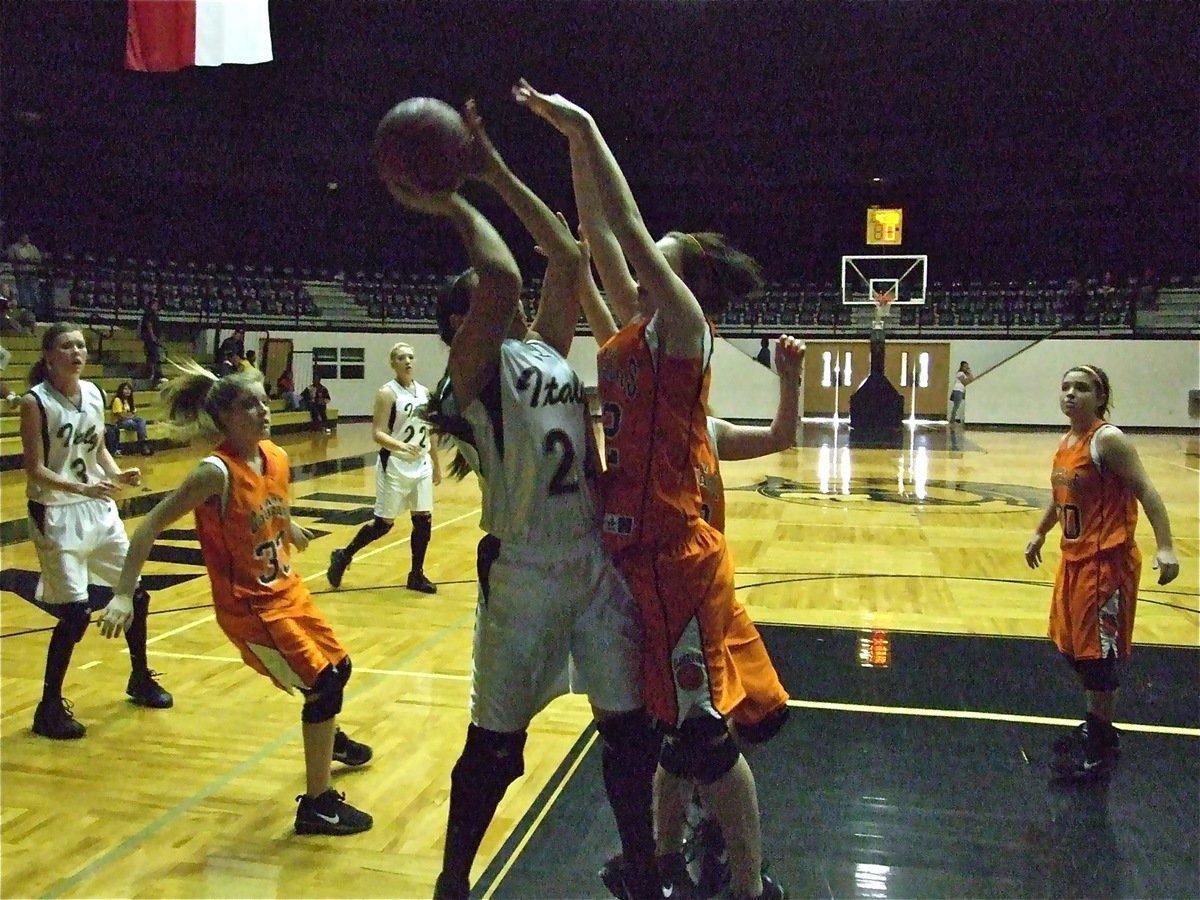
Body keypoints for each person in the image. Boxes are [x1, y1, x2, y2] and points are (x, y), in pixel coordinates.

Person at [517, 80, 788, 900]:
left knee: (703, 740)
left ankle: (746, 888)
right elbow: (599, 233)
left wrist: (587, 122)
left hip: (674, 555)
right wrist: (570, 149)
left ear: (686, 277)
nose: (646, 252)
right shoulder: (629, 337)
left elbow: (624, 230)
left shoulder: (687, 331)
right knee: (668, 736)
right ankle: (662, 861)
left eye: (664, 251)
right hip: (634, 555)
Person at [392, 100, 660, 900]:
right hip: (524, 576)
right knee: (497, 750)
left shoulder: (540, 346)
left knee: (627, 729)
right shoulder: (470, 376)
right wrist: (445, 199)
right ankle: (452, 881)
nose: (496, 291)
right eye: (475, 295)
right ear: (457, 322)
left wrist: (495, 166)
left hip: (590, 561)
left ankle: (641, 869)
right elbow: (507, 272)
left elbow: (567, 258)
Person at [95, 361, 375, 835]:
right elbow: (147, 527)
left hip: (288, 590)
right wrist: (124, 593)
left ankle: (327, 739)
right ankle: (317, 804)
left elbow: (273, 505)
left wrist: (290, 527)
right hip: (249, 608)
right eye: (250, 403)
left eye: (265, 399)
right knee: (324, 685)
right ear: (224, 417)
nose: (264, 409)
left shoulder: (275, 456)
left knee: (339, 671)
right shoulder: (214, 473)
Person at [1024, 364, 1178, 783]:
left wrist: (1165, 546)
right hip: (1073, 560)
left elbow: (1147, 490)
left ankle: (1101, 741)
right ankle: (1096, 724)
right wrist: (1039, 533)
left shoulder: (1107, 440)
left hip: (1105, 564)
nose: (1072, 394)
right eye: (1066, 387)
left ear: (1100, 397)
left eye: (1083, 388)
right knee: (1072, 648)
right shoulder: (1066, 441)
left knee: (1098, 655)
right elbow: (1061, 499)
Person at [18, 322, 172, 741]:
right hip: (56, 514)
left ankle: (140, 678)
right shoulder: (36, 402)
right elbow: (35, 469)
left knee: (134, 592)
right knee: (73, 613)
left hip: (98, 509)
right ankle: (48, 707)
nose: (76, 352)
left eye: (81, 345)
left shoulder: (95, 394)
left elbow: (98, 449)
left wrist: (119, 474)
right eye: (67, 345)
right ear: (49, 355)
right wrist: (82, 486)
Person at [327, 341, 442, 593]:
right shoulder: (387, 393)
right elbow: (377, 433)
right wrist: (400, 446)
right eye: (402, 357)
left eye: (411, 356)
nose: (408, 361)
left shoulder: (424, 392)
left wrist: (435, 461)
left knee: (423, 519)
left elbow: (429, 430)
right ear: (393, 364)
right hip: (396, 464)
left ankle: (416, 574)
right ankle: (344, 555)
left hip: (420, 463)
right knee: (383, 524)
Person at [110, 381, 153, 456]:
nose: (127, 391)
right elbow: (120, 415)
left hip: (130, 419)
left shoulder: (129, 400)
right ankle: (143, 444)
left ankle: (142, 443)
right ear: (121, 390)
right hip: (120, 422)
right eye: (125, 389)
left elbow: (134, 413)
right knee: (132, 423)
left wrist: (129, 415)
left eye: (129, 389)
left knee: (141, 420)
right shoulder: (117, 400)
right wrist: (129, 415)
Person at [6, 232, 42, 313]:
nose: (26, 239)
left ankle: (35, 311)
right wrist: (21, 261)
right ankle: (25, 310)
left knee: (34, 293)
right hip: (21, 274)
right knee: (23, 292)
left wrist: (31, 261)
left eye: (27, 238)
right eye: (24, 238)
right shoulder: (14, 248)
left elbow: (39, 259)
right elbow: (10, 258)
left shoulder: (33, 248)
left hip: (32, 274)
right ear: (20, 238)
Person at [138, 298, 165, 385]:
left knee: (152, 357)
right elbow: (149, 325)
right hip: (150, 340)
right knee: (154, 356)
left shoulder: (154, 315)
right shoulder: (149, 314)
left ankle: (153, 374)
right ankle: (155, 374)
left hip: (153, 339)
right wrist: (152, 336)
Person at [948, 360, 973, 424]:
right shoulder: (960, 373)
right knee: (956, 405)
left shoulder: (966, 374)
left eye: (967, 367)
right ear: (961, 367)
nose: (966, 368)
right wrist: (968, 378)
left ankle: (956, 419)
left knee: (959, 405)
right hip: (957, 390)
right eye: (965, 367)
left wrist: (969, 374)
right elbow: (964, 382)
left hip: (962, 391)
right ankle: (952, 419)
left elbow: (971, 380)